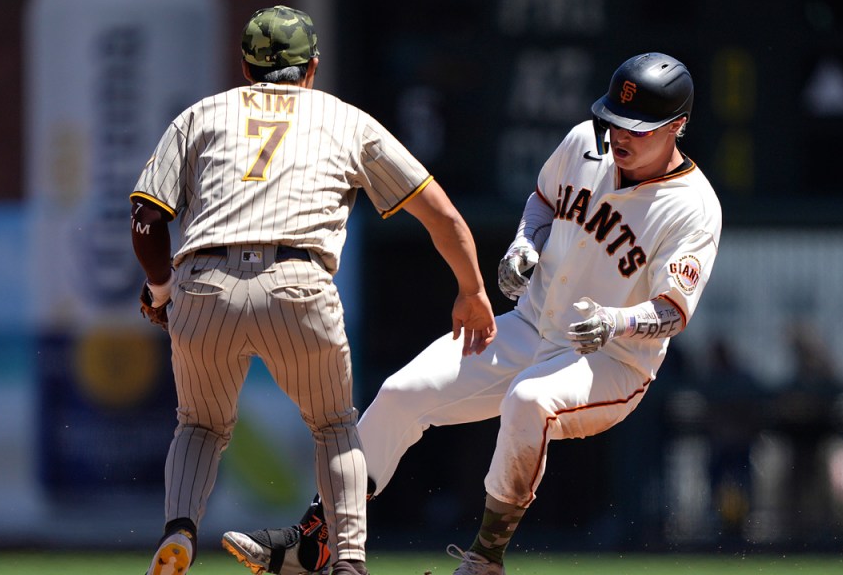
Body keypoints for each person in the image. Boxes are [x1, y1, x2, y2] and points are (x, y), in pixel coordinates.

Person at [222, 51, 722, 575]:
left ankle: (485, 559)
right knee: (400, 394)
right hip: (530, 324)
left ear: (678, 126)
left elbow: (673, 310)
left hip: (611, 360)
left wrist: (616, 322)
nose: (619, 134)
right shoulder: (584, 142)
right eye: (613, 120)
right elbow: (543, 201)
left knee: (530, 401)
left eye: (637, 128)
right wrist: (524, 244)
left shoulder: (694, 205)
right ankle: (315, 539)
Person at [130, 5, 496, 575]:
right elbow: (442, 214)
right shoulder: (346, 119)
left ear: (245, 64)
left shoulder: (201, 115)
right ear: (312, 67)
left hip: (202, 283)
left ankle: (179, 531)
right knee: (333, 426)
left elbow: (146, 220)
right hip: (297, 284)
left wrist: (158, 290)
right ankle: (347, 561)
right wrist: (471, 289)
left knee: (200, 425)